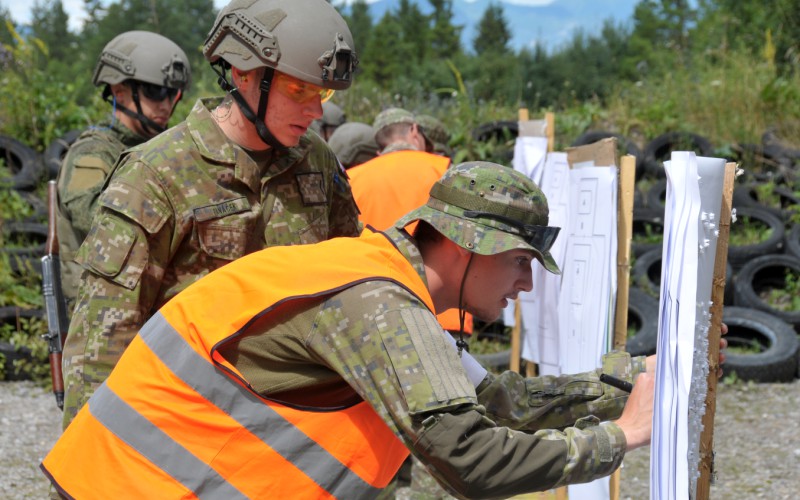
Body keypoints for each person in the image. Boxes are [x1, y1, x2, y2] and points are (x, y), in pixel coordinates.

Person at [42, 161, 663, 499]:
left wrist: (627, 378)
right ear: (462, 245)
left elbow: (496, 403)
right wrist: (622, 437)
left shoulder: (383, 285)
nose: (525, 285)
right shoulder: (379, 305)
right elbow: (470, 461)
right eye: (520, 261)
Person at [60, 0, 361, 428]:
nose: (315, 111)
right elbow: (103, 337)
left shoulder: (319, 162)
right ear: (243, 73)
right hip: (186, 423)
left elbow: (352, 279)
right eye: (299, 89)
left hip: (296, 424)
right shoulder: (156, 173)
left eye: (323, 93)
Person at [55, 31, 191, 310]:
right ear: (119, 91)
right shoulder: (94, 153)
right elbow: (92, 220)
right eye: (155, 92)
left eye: (171, 94)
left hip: (147, 297)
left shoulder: (160, 148)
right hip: (100, 309)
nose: (165, 105)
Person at [349, 107, 473, 339]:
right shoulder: (445, 171)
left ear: (379, 148)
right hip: (444, 311)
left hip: (378, 312)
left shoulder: (352, 178)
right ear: (415, 131)